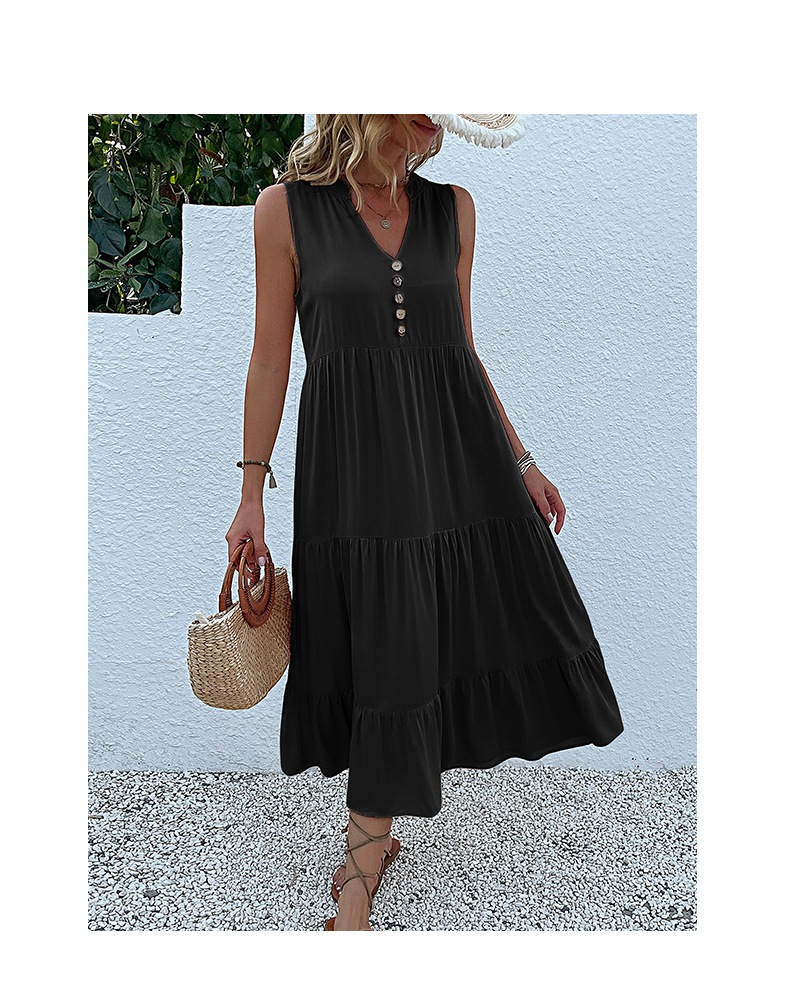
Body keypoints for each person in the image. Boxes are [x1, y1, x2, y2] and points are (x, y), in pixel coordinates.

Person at [225, 114, 624, 931]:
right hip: (352, 473)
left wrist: (521, 460)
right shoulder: (283, 211)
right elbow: (270, 356)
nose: (434, 115)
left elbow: (461, 350)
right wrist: (251, 494)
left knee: (433, 633)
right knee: (384, 637)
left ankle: (363, 857)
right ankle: (367, 855)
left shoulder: (455, 210)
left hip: (451, 462)